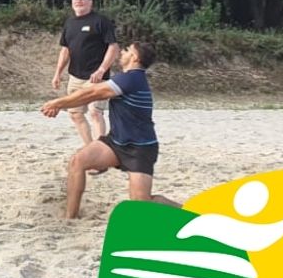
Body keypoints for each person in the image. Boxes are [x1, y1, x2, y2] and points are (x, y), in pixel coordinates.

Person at [40, 41, 179, 219]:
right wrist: (61, 105)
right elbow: (88, 92)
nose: (122, 52)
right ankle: (70, 217)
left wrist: (57, 103)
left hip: (140, 148)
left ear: (135, 57)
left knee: (142, 203)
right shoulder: (126, 77)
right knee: (78, 162)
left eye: (127, 50)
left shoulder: (131, 78)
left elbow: (91, 94)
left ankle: (189, 211)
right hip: (116, 142)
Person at [51, 0, 119, 146]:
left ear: (90, 2)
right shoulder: (69, 23)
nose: (79, 1)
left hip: (96, 77)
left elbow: (113, 47)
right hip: (75, 77)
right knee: (75, 114)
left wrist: (102, 69)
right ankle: (89, 148)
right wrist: (57, 73)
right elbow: (65, 50)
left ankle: (100, 149)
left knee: (95, 112)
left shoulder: (100, 21)